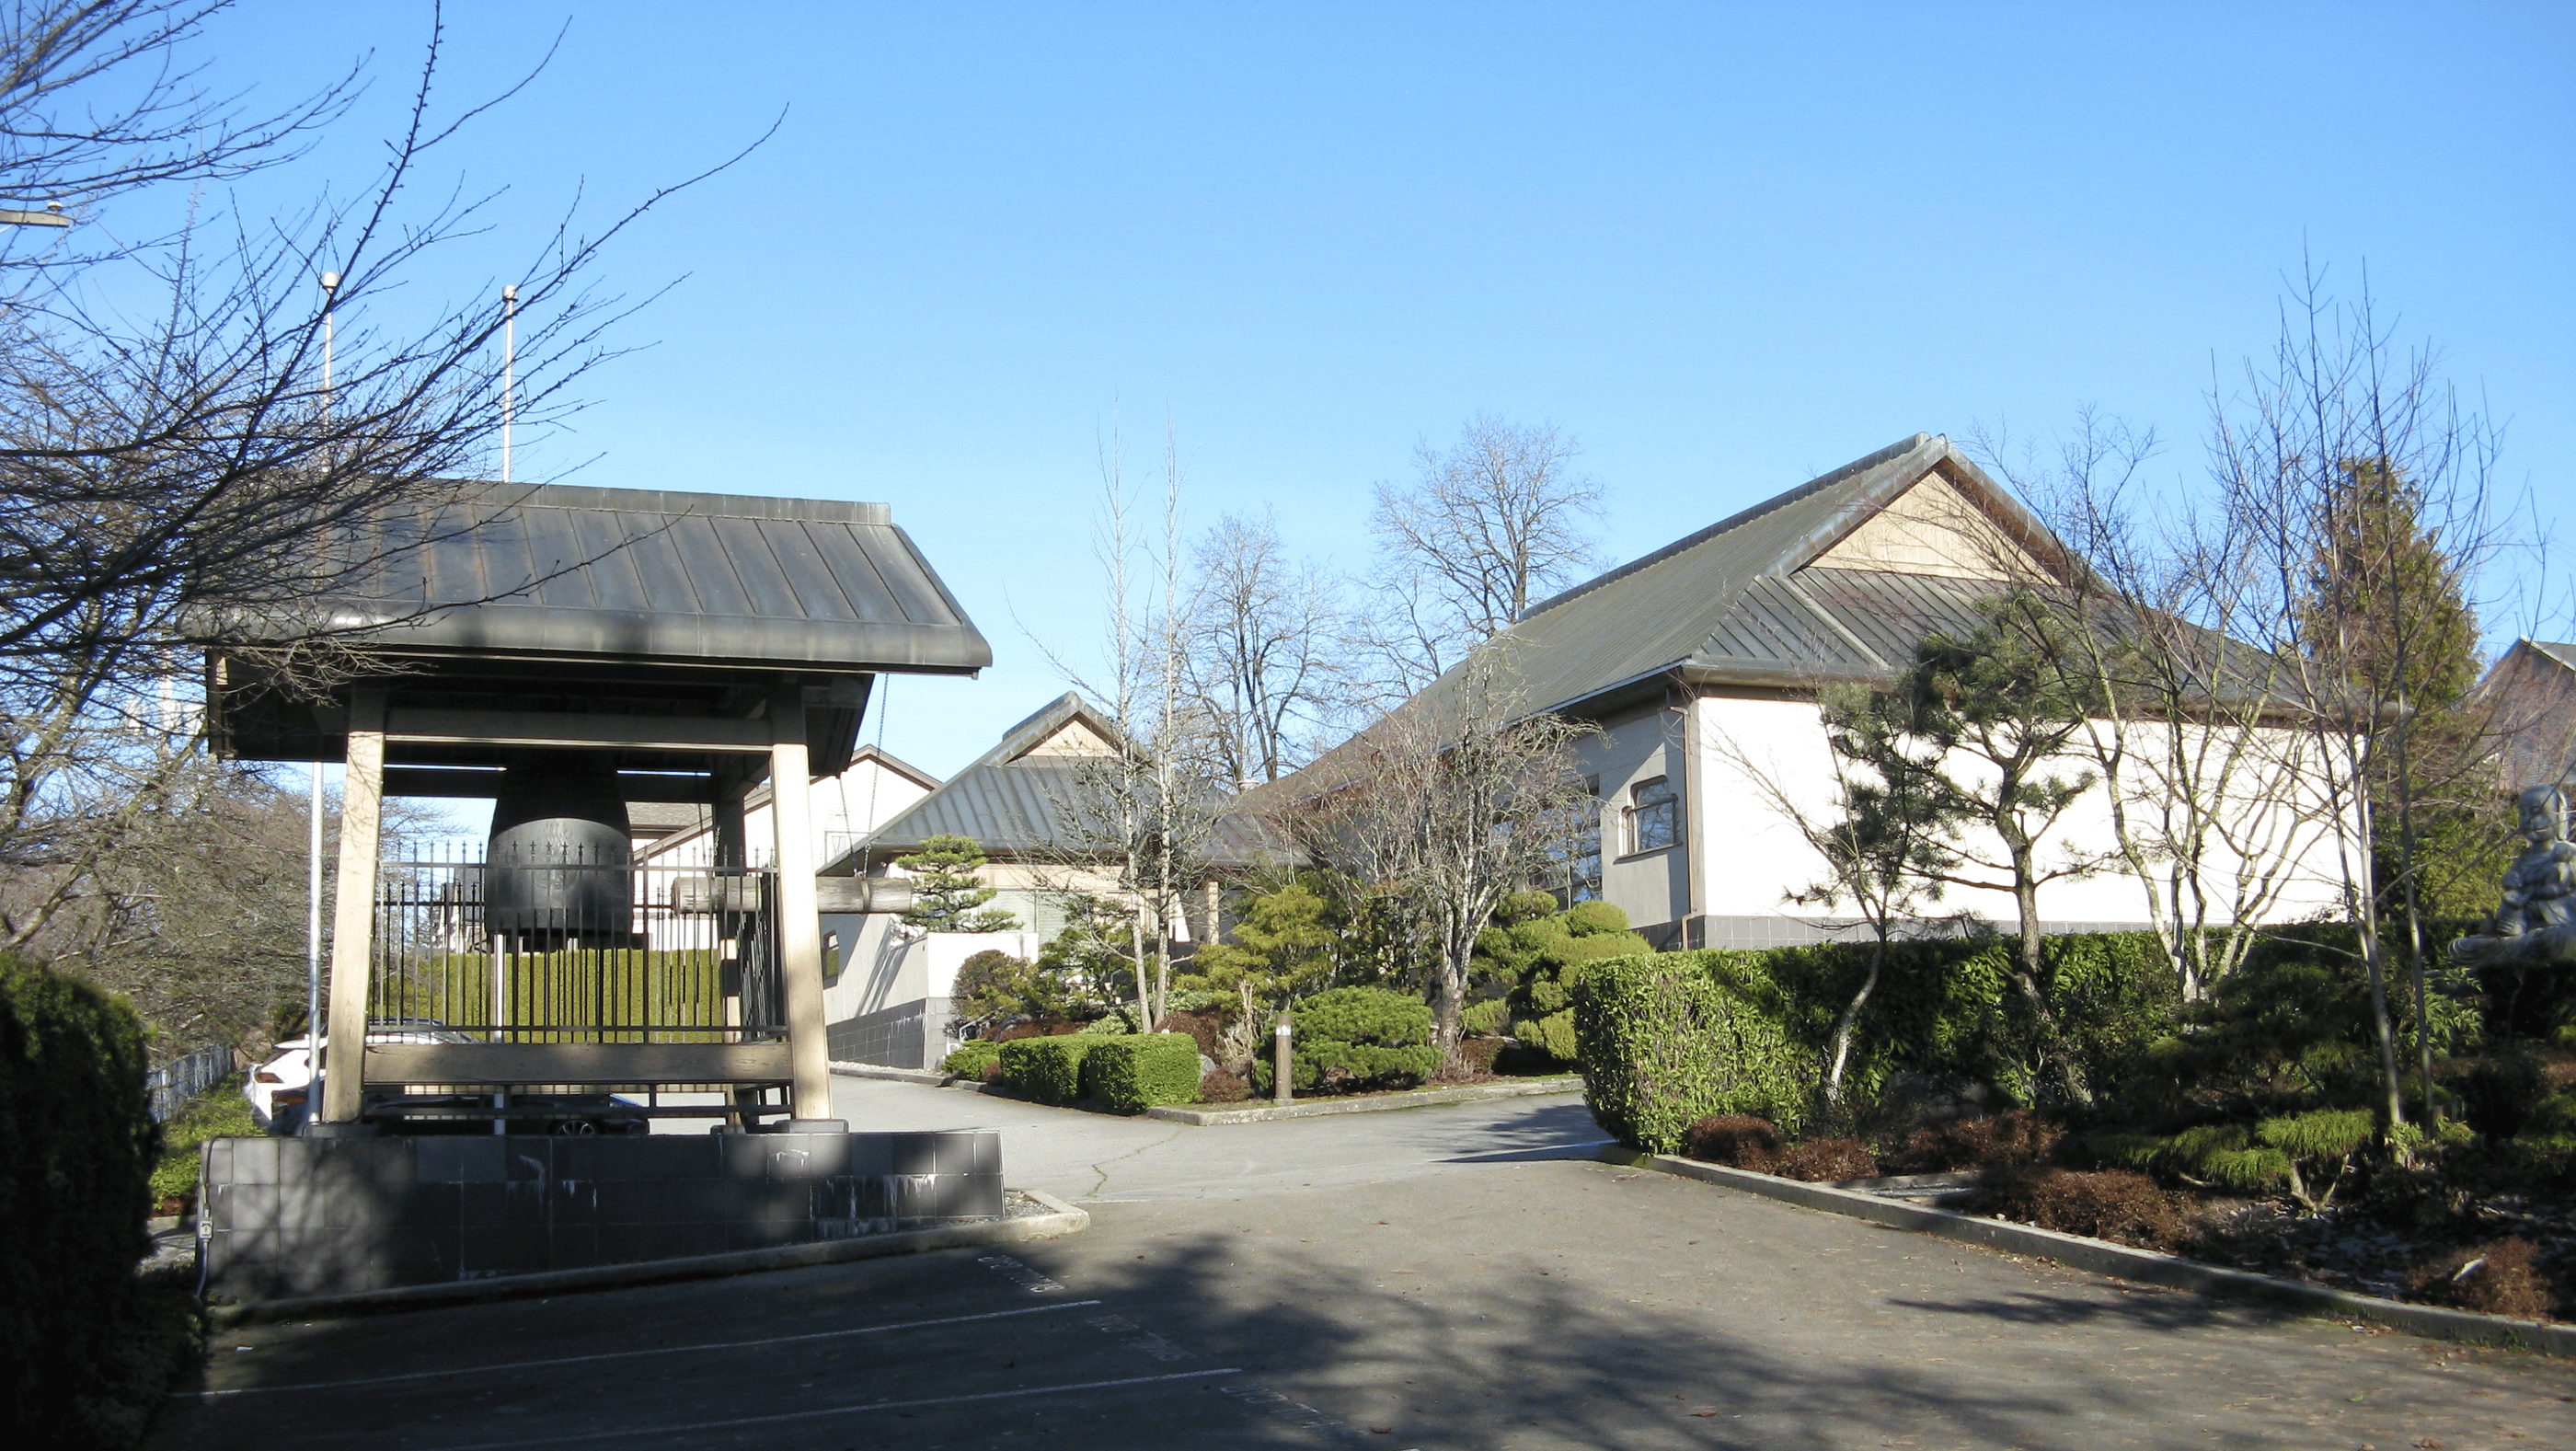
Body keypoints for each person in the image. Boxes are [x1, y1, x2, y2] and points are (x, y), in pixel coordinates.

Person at [2448, 783, 2576, 967]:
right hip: (2523, 932)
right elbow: (2513, 899)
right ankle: (2512, 948)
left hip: (2559, 928)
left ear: (2560, 816)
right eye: (2523, 814)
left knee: (2561, 940)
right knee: (2459, 947)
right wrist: (2510, 885)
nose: (2529, 819)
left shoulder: (2570, 854)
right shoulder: (2523, 860)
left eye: (2537, 812)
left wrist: (2544, 898)